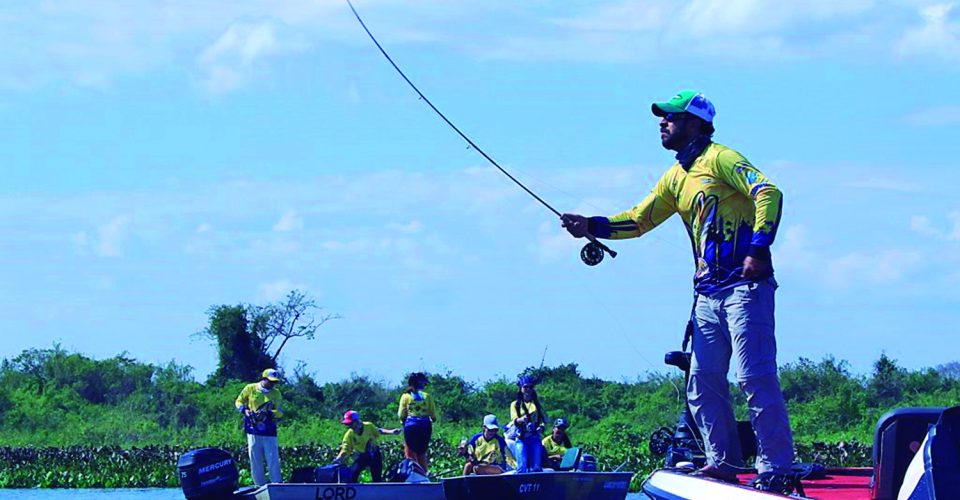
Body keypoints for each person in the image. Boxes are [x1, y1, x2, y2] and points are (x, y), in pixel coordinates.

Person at [561, 89, 794, 483]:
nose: (662, 122)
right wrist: (592, 226)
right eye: (663, 117)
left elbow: (768, 192)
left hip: (744, 287)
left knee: (754, 377)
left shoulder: (720, 158)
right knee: (702, 382)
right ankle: (725, 463)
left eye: (670, 116)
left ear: (695, 123)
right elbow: (638, 220)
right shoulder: (675, 177)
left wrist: (758, 248)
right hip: (706, 293)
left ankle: (776, 468)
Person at [234, 368, 285, 486]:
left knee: (272, 458)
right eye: (270, 381)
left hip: (270, 430)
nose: (272, 384)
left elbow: (280, 412)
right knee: (255, 458)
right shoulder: (250, 388)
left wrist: (271, 412)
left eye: (274, 382)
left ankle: (277, 484)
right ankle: (259, 485)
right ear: (264, 379)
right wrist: (244, 410)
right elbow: (238, 401)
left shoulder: (276, 393)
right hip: (253, 429)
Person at [335, 410, 401, 483]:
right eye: (348, 424)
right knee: (353, 473)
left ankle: (377, 490)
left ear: (357, 421)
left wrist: (391, 432)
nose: (349, 426)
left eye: (351, 423)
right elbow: (345, 449)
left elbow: (378, 431)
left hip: (374, 454)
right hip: (362, 456)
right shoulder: (349, 435)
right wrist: (339, 458)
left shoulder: (368, 426)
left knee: (377, 477)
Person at [397, 372, 437, 472]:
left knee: (410, 451)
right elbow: (433, 414)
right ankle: (424, 474)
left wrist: (403, 421)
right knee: (422, 452)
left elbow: (401, 414)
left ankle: (412, 473)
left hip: (411, 426)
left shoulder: (405, 396)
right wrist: (432, 419)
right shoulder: (427, 396)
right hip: (425, 426)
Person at [508, 376, 547, 473]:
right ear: (521, 389)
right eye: (525, 387)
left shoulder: (536, 404)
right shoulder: (515, 404)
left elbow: (543, 420)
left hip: (534, 437)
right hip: (521, 437)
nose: (528, 390)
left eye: (530, 387)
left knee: (537, 466)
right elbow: (514, 420)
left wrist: (541, 428)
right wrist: (521, 420)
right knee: (522, 466)